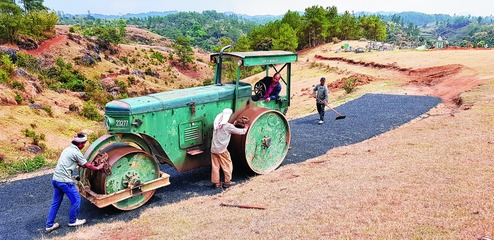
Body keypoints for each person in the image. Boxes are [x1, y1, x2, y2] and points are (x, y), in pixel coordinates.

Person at [45, 133, 104, 233]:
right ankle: (73, 221)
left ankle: (49, 225)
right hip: (65, 181)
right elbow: (87, 165)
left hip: (56, 179)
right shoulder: (76, 152)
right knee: (76, 200)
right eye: (84, 144)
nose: (84, 146)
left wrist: (88, 165)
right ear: (80, 144)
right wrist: (98, 167)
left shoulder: (67, 149)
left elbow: (78, 163)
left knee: (55, 203)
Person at [210, 108, 248, 189]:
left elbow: (225, 130)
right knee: (227, 165)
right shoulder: (228, 126)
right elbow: (241, 132)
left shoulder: (216, 123)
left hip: (213, 149)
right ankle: (227, 182)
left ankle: (216, 183)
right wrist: (246, 128)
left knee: (215, 166)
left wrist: (233, 125)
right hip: (222, 150)